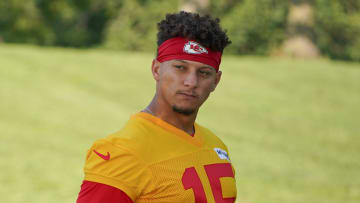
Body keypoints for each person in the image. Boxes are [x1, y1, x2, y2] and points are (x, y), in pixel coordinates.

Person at [76, 11, 236, 203]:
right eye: (180, 67)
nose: (191, 82)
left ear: (216, 81)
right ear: (156, 69)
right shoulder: (123, 151)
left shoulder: (216, 146)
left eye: (203, 72)